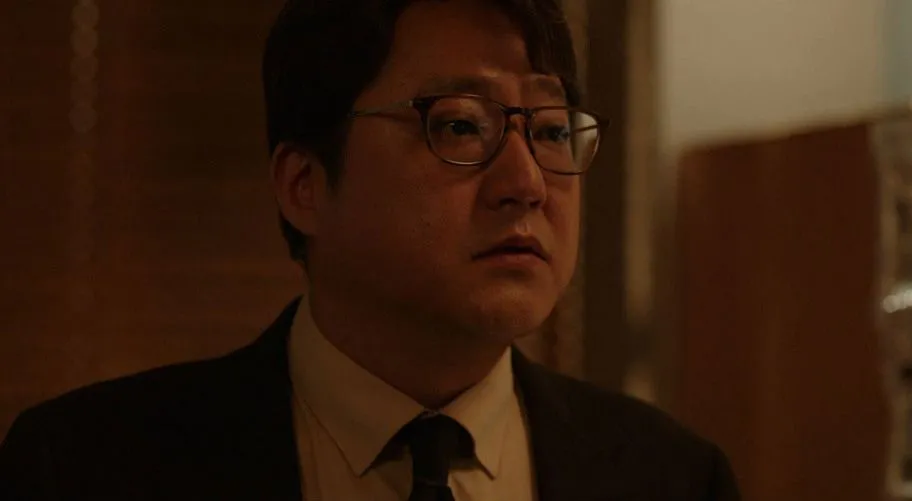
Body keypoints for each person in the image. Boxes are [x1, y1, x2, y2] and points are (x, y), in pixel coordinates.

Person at [0, 0, 740, 499]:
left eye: (549, 131)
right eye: (459, 125)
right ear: (304, 186)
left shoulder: (672, 478)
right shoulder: (84, 467)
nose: (526, 184)